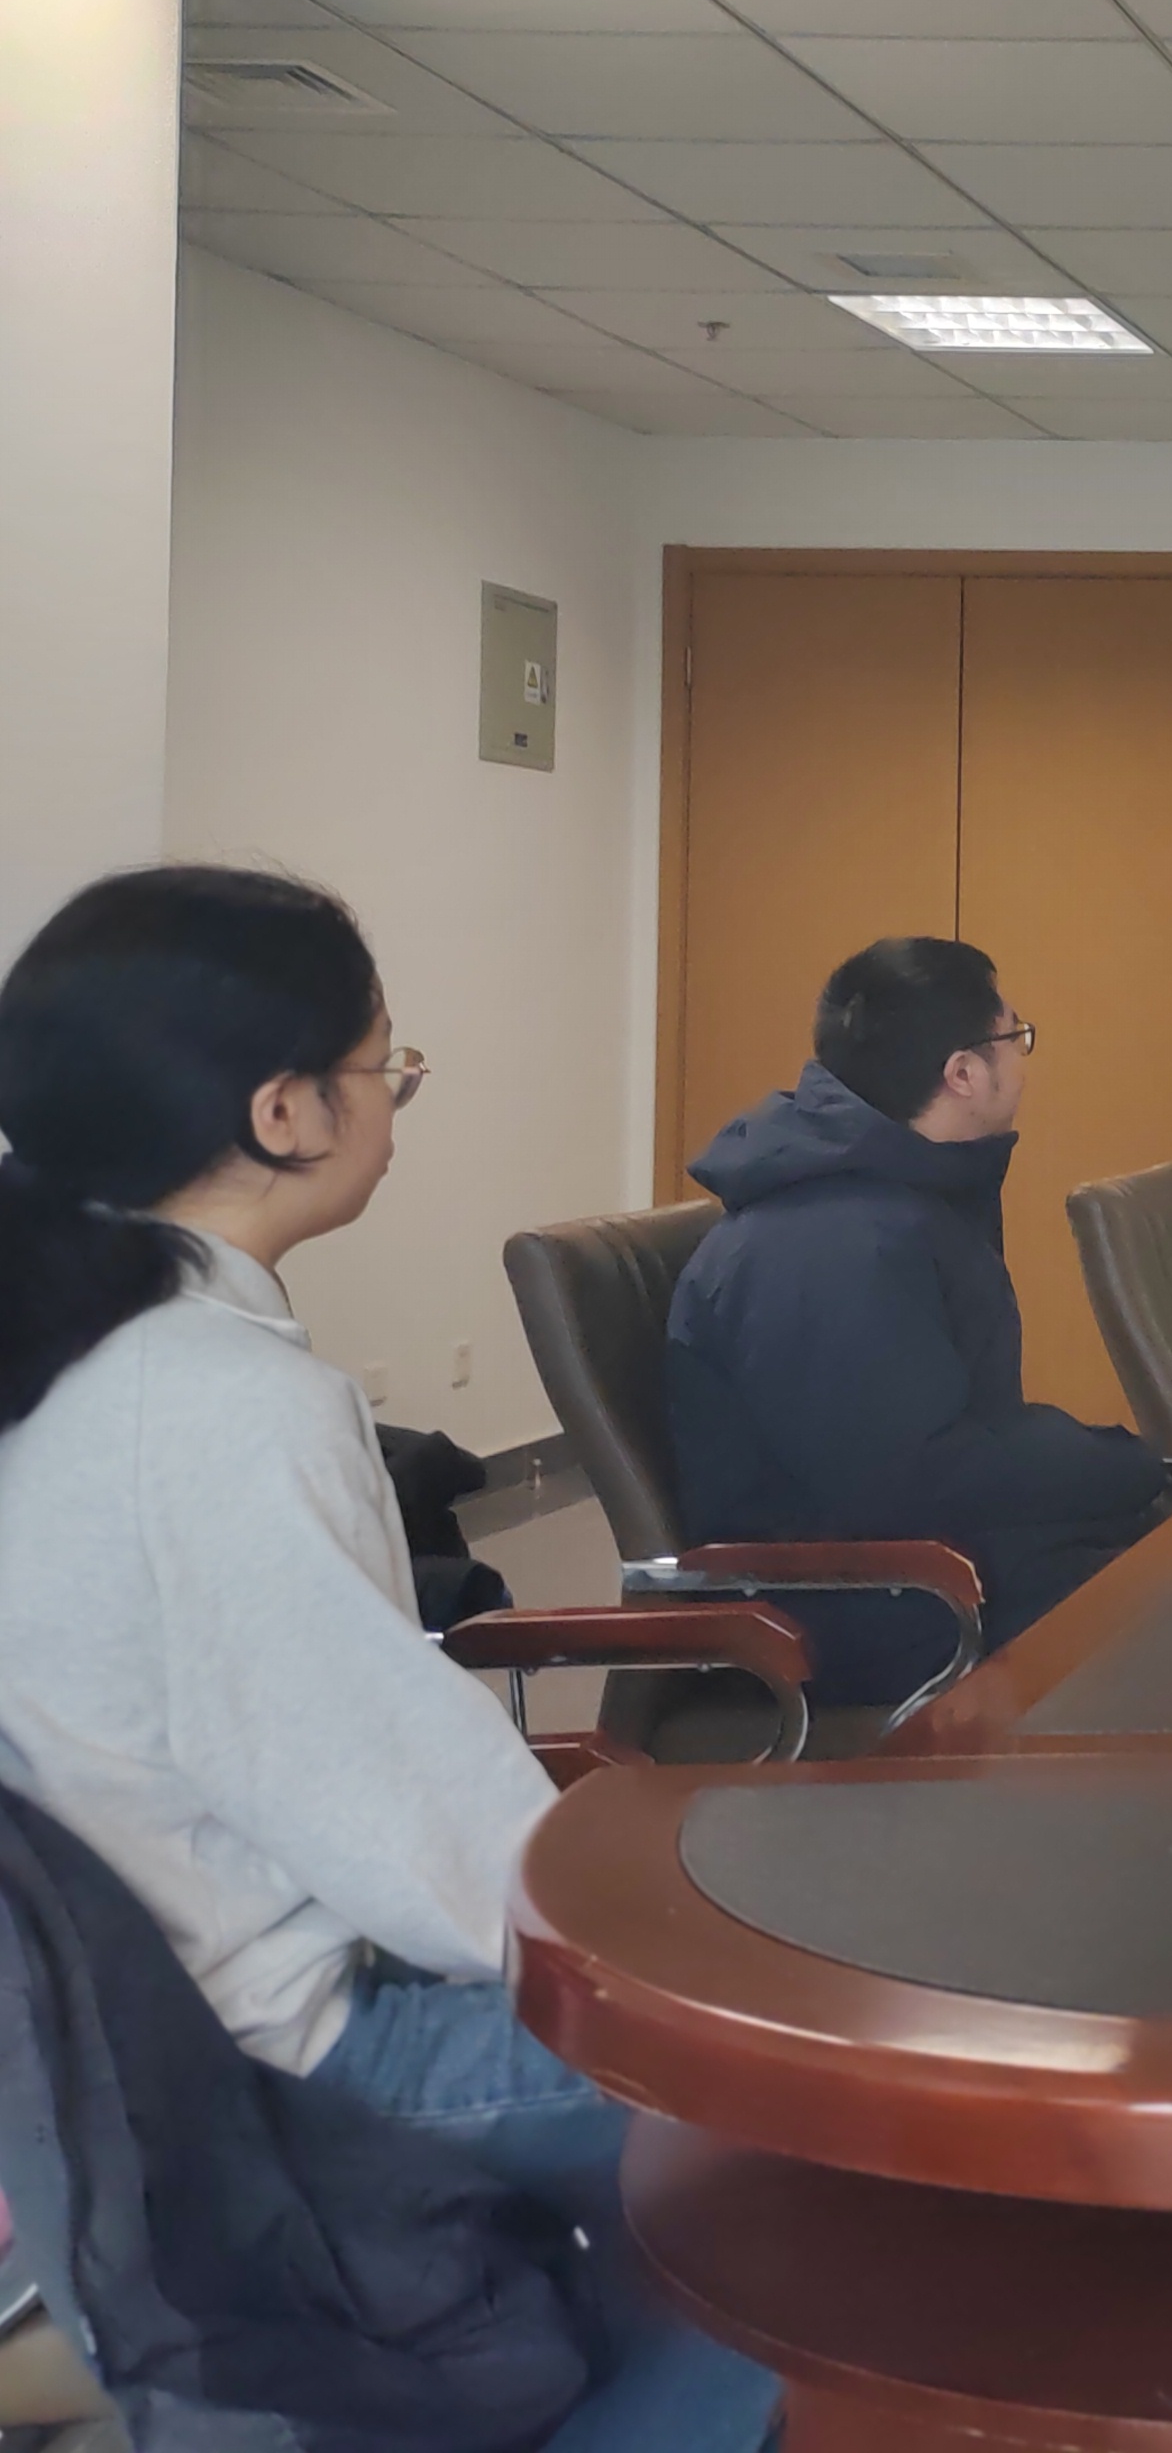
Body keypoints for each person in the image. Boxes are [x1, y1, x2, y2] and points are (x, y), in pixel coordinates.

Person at [0, 864, 773, 2447]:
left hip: (139, 2030)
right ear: (285, 1112)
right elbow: (434, 1855)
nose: (395, 1105)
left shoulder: (79, 1354)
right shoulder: (212, 1407)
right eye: (387, 1067)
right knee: (807, 2130)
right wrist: (705, 1954)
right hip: (299, 2049)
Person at [665, 933, 1167, 1701]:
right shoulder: (831, 1242)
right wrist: (1116, 1463)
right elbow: (909, 1481)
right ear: (963, 1073)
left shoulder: (898, 1203)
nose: (1023, 1060)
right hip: (851, 1611)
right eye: (1015, 1036)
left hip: (919, 1570)